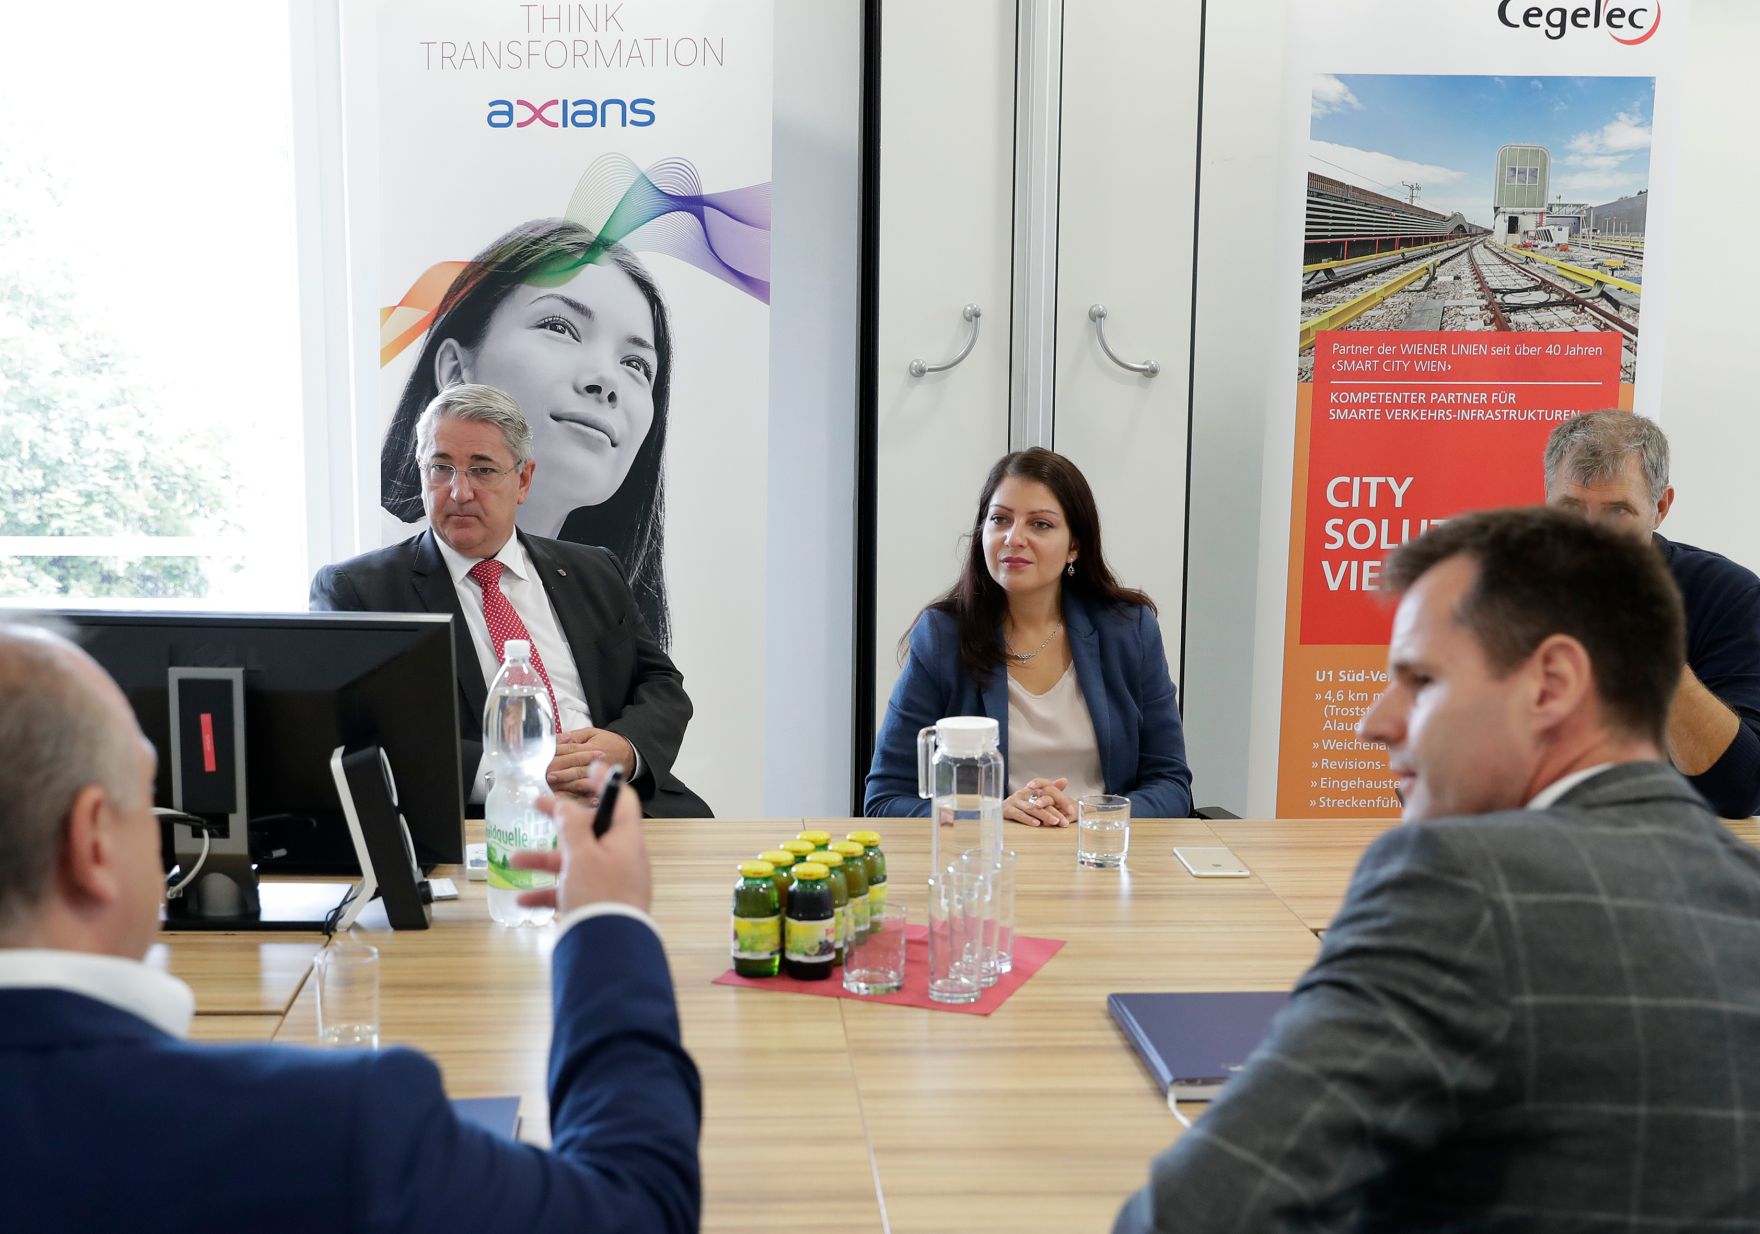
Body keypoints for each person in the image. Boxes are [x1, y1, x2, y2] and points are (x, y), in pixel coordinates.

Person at [1114, 507, 1760, 1232]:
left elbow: (1190, 1216)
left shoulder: (1460, 883)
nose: (1373, 722)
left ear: (1551, 685)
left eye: (1421, 679)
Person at [0, 622, 702, 1234]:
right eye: (148, 797)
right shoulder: (328, 1127)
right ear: (94, 843)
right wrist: (608, 922)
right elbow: (635, 1210)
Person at [316, 383, 711, 818]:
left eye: (482, 470)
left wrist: (624, 749)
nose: (459, 492)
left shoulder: (594, 570)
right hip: (488, 822)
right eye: (441, 467)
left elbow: (661, 683)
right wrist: (518, 777)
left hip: (624, 804)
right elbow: (362, 735)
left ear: (523, 480)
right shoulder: (362, 592)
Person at [381, 218, 675, 647]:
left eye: (635, 365)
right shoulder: (369, 577)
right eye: (559, 327)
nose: (606, 380)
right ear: (456, 370)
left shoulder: (604, 597)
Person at [865, 448, 1192, 823]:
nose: (1013, 538)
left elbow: (1171, 784)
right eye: (1000, 519)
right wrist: (988, 815)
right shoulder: (942, 635)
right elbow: (885, 800)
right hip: (989, 852)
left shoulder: (1128, 629)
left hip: (1098, 849)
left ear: (1074, 546)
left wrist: (1093, 815)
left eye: (1040, 524)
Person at [1544, 409, 1760, 817]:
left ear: (1660, 507)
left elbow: (1740, 791)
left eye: (1617, 512)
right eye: (1571, 508)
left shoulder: (1728, 595)